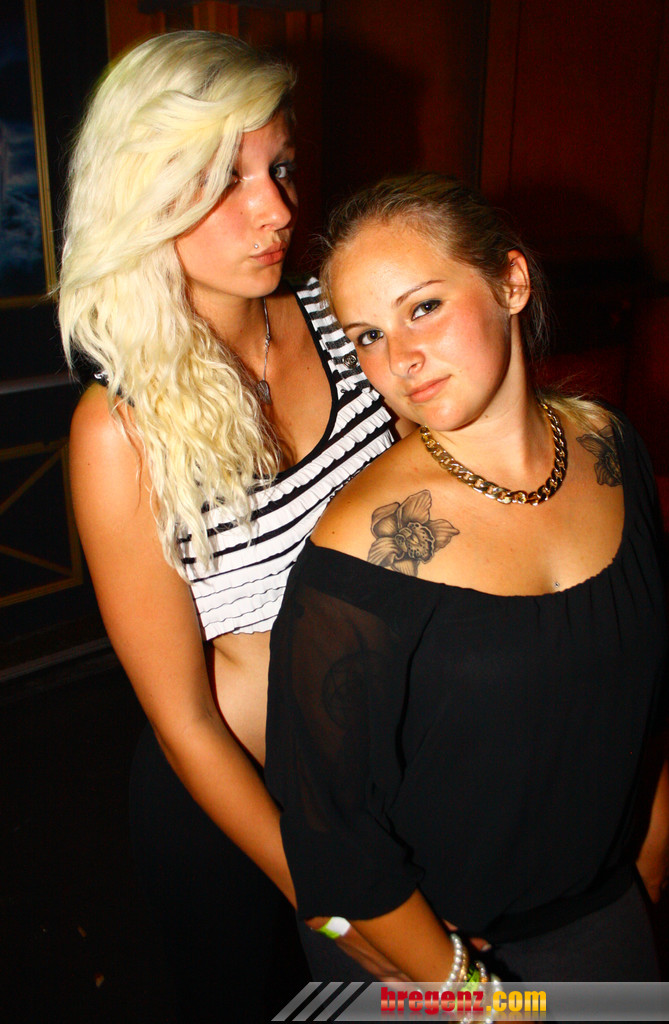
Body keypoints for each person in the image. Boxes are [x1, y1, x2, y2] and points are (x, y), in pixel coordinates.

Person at [59, 31, 403, 1022]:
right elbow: (184, 720)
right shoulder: (122, 430)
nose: (278, 209)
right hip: (237, 814)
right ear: (144, 196)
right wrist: (327, 896)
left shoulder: (347, 324)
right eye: (225, 180)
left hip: (388, 773)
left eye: (281, 167)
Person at [266, 173, 669, 984]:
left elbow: (639, 680)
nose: (400, 359)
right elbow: (328, 842)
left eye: (423, 307)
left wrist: (653, 851)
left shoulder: (611, 448)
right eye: (367, 336)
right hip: (430, 955)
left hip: (604, 912)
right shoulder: (364, 548)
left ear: (510, 283)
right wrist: (470, 995)